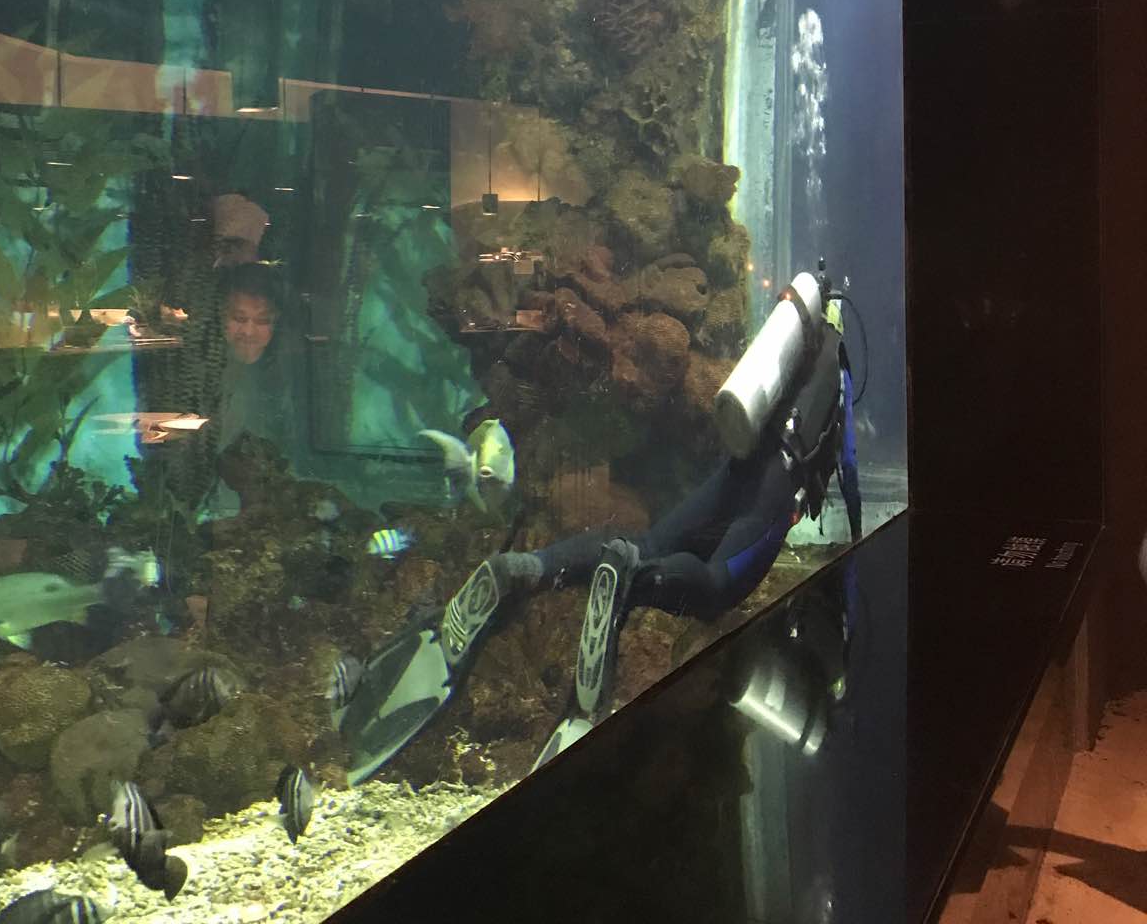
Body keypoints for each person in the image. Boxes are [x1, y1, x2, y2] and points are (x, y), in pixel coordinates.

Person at [339, 264, 864, 780]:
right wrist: (858, 545)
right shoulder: (834, 371)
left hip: (737, 467)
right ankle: (633, 579)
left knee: (650, 540)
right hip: (775, 487)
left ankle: (532, 566)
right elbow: (850, 470)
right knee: (715, 587)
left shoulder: (798, 344)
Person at [197, 262, 294, 522]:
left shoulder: (288, 375)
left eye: (262, 321)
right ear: (220, 316)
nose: (249, 332)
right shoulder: (199, 376)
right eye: (239, 319)